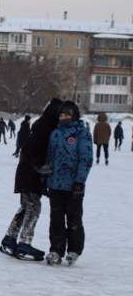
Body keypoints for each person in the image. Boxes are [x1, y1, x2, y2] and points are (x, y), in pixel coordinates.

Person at [0, 100, 62, 261]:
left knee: (26, 206)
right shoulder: (46, 127)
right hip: (30, 174)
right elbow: (30, 149)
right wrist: (39, 166)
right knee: (34, 207)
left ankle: (10, 238)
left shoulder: (42, 125)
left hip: (25, 172)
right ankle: (24, 242)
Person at [41, 101, 92, 266]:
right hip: (55, 185)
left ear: (74, 115)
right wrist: (45, 179)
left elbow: (86, 159)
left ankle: (74, 250)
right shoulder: (55, 133)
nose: (64, 118)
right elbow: (49, 158)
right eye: (62, 115)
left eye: (67, 115)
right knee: (55, 219)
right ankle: (56, 250)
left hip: (73, 186)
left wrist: (80, 181)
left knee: (74, 219)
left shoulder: (82, 133)